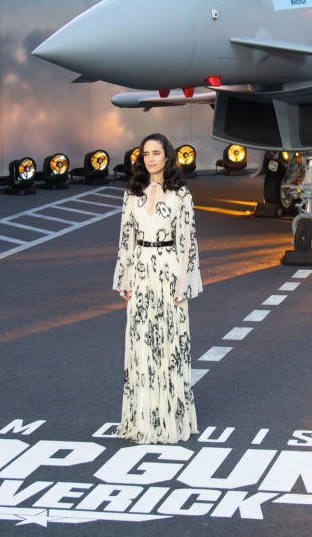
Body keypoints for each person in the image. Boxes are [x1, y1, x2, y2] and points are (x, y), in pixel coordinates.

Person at [112, 132, 202, 444]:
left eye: (156, 153)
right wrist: (124, 277)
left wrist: (183, 284)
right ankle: (141, 421)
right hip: (140, 272)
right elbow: (126, 237)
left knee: (169, 346)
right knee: (140, 347)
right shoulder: (131, 193)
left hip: (167, 271)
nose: (150, 158)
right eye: (146, 153)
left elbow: (188, 243)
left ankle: (169, 420)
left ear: (167, 156)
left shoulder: (181, 194)